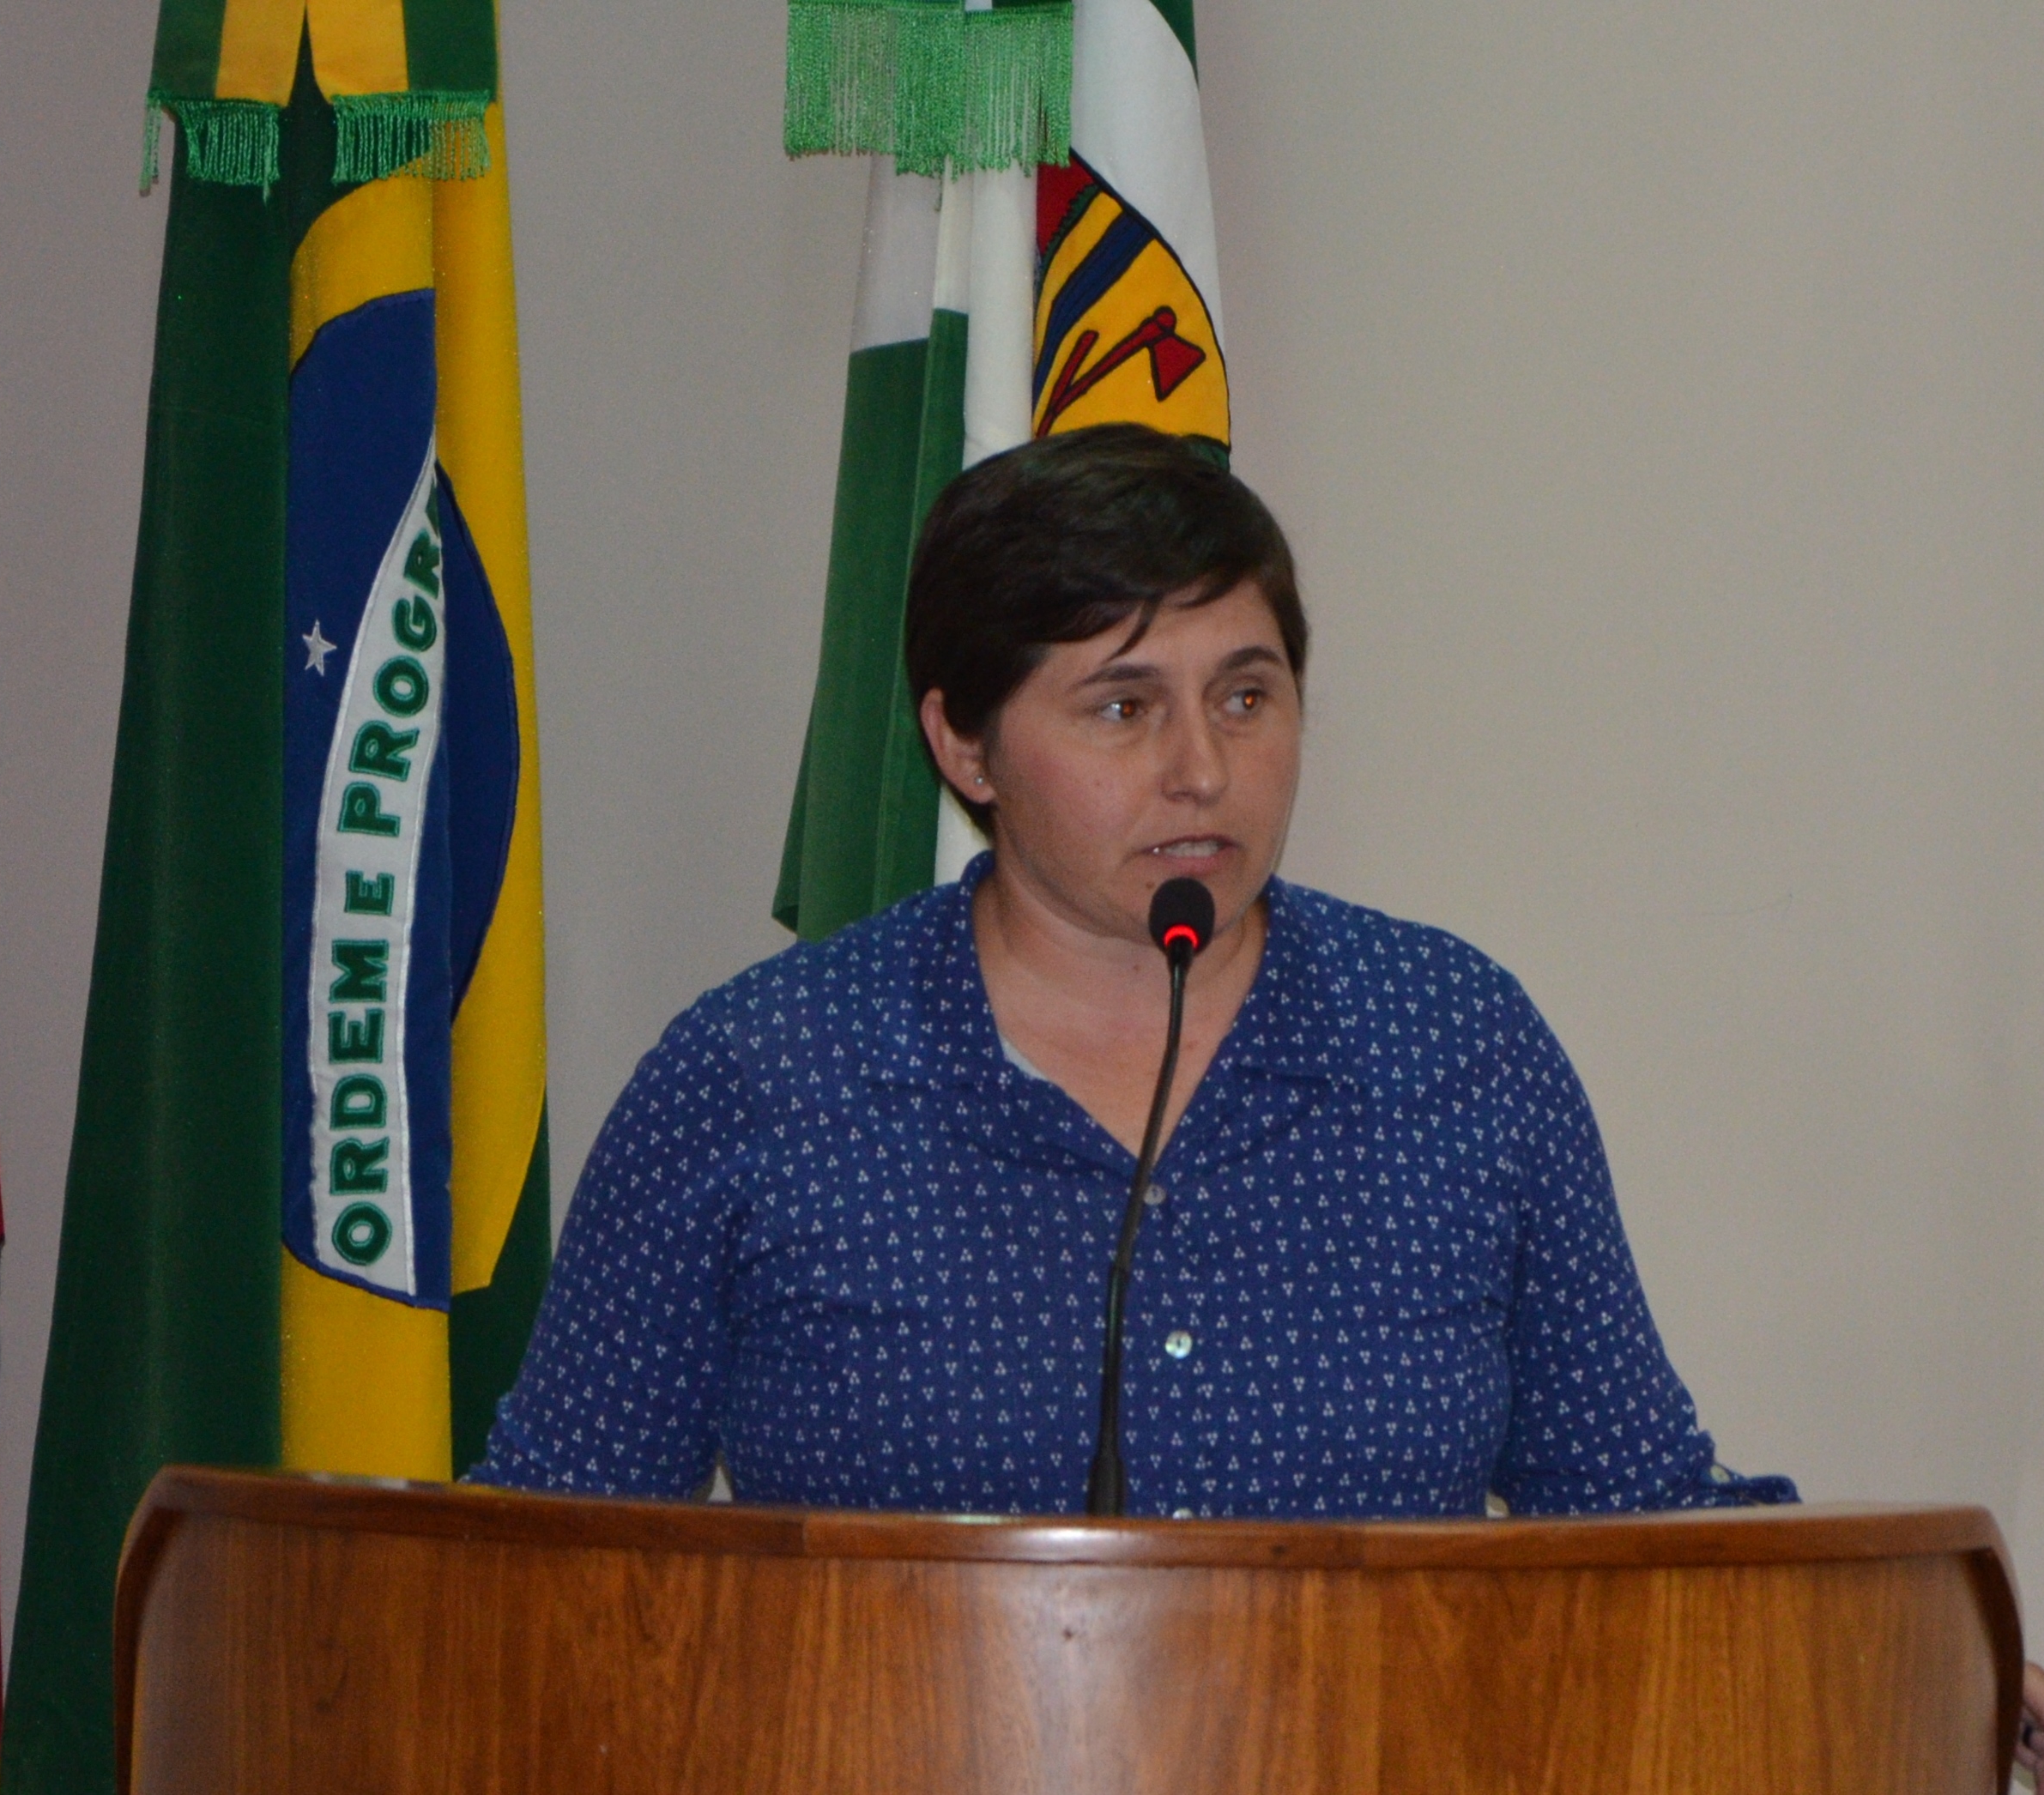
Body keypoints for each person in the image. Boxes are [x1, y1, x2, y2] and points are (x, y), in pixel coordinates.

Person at [475, 422, 1794, 1518]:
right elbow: (547, 1560)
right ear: (964, 746)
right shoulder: (760, 1076)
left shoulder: (1452, 1041)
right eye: (1122, 707)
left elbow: (1638, 1523)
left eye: (1244, 697)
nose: (1202, 770)